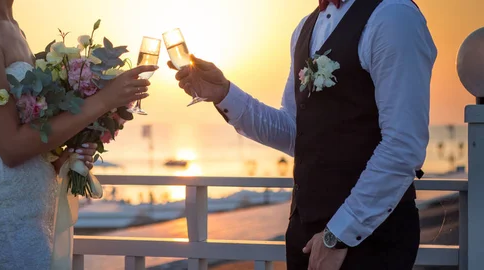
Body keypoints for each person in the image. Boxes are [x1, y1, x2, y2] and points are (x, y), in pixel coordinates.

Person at [171, 0, 437, 269]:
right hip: (305, 235)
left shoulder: (393, 17)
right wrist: (224, 94)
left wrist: (338, 236)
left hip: (370, 239)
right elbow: (294, 132)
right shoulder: (304, 28)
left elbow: (403, 145)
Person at [0, 0, 158, 268]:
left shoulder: (13, 27)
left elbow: (25, 129)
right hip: (2, 219)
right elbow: (10, 147)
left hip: (35, 212)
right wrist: (103, 100)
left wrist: (64, 156)